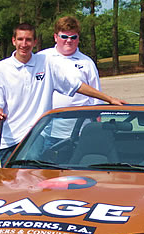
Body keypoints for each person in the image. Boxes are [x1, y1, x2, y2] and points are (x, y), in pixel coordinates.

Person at [0, 23, 126, 164]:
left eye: (28, 40)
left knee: (30, 177)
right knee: (10, 182)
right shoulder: (1, 69)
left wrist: (109, 99)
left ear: (35, 42)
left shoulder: (46, 63)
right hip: (9, 139)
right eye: (20, 39)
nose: (24, 44)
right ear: (13, 41)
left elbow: (76, 86)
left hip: (36, 136)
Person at [38, 16, 102, 147]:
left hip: (81, 132)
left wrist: (97, 122)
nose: (69, 41)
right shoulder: (41, 58)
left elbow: (97, 97)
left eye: (73, 37)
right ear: (55, 37)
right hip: (48, 131)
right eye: (64, 37)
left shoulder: (87, 62)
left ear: (78, 38)